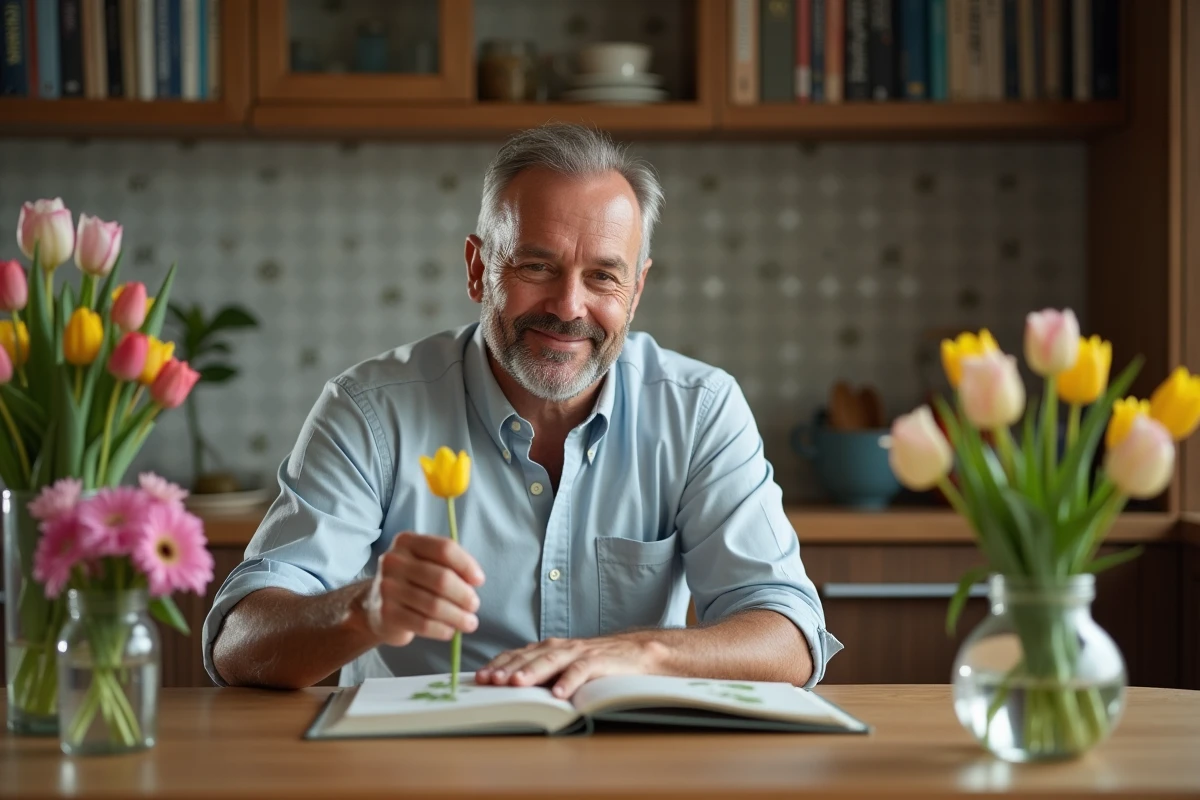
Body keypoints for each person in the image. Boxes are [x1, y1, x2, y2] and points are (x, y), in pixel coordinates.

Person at [203, 123, 842, 699]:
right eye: (538, 265)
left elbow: (789, 636)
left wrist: (638, 650)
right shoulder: (369, 409)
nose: (568, 307)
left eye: (603, 277)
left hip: (630, 768)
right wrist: (363, 609)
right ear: (479, 268)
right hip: (419, 773)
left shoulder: (700, 409)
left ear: (638, 289)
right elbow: (238, 644)